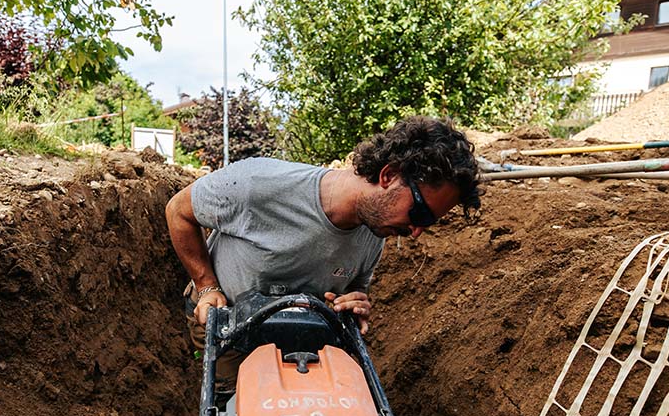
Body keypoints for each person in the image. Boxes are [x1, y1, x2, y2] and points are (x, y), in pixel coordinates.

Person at [164, 115, 480, 384]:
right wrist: (207, 286)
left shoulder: (376, 230)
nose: (415, 232)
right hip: (231, 328)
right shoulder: (257, 185)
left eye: (428, 223)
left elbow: (354, 287)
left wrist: (354, 303)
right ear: (388, 176)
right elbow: (178, 210)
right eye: (419, 213)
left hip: (302, 337)